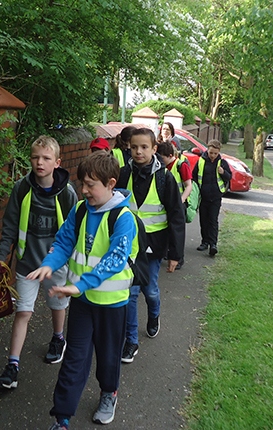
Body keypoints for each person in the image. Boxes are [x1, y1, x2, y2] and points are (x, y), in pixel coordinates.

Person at [27, 151, 139, 430]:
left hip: (112, 304)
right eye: (82, 184)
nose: (84, 190)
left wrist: (78, 285)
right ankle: (62, 418)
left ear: (111, 183)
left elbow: (115, 260)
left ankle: (108, 393)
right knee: (74, 359)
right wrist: (49, 265)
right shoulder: (79, 210)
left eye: (91, 184)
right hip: (81, 302)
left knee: (108, 356)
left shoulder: (124, 218)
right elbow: (64, 241)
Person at [0, 135, 78, 389]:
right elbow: (9, 225)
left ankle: (58, 337)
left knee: (57, 304)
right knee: (23, 312)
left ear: (57, 162)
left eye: (46, 158)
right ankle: (12, 365)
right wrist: (0, 258)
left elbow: (74, 230)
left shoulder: (67, 193)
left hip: (55, 264)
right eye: (35, 157)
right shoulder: (22, 188)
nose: (39, 163)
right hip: (28, 263)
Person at [116, 127, 185, 363]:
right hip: (129, 245)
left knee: (151, 290)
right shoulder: (124, 174)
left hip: (154, 247)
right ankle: (131, 340)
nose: (138, 151)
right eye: (134, 147)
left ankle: (154, 315)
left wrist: (175, 255)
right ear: (128, 147)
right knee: (131, 292)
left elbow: (176, 216)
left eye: (144, 147)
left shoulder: (165, 178)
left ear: (155, 149)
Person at [192, 139, 231, 256]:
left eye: (215, 153)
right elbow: (194, 176)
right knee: (203, 220)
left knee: (213, 220)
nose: (213, 155)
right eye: (211, 153)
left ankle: (213, 244)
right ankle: (205, 242)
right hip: (203, 196)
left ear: (219, 152)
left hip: (215, 196)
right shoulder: (201, 161)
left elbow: (229, 177)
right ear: (207, 150)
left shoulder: (222, 163)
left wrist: (223, 172)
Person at [156, 142, 192, 270]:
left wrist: (181, 200)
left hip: (179, 203)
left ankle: (179, 258)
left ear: (170, 155)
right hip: (168, 203)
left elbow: (189, 185)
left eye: (162, 158)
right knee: (168, 230)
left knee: (177, 232)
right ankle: (167, 253)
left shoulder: (181, 165)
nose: (160, 160)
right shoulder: (163, 168)